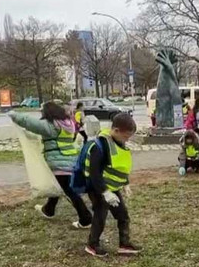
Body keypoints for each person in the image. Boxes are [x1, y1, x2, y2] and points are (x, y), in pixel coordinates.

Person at [9, 102, 93, 229]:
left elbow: (30, 122)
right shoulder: (68, 123)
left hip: (59, 165)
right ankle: (48, 210)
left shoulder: (51, 126)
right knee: (59, 187)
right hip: (71, 161)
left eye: (42, 112)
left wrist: (13, 114)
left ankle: (86, 219)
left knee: (70, 192)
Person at [85, 113, 140, 257]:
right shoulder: (100, 146)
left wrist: (125, 183)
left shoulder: (118, 143)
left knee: (123, 215)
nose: (127, 140)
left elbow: (119, 166)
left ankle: (124, 244)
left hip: (113, 188)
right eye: (126, 136)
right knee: (100, 216)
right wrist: (105, 192)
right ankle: (92, 244)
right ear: (116, 131)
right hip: (99, 188)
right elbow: (94, 173)